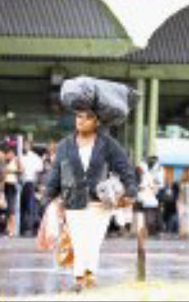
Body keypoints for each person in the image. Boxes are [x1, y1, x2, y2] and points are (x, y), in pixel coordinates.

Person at [46, 110, 137, 291]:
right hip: (73, 199)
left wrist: (131, 191)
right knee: (79, 239)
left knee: (94, 240)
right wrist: (50, 195)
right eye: (79, 116)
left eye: (88, 117)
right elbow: (56, 170)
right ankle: (80, 278)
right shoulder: (65, 145)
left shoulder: (108, 144)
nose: (82, 121)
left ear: (96, 122)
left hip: (101, 201)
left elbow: (125, 168)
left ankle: (89, 275)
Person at [20, 139, 44, 236]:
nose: (25, 147)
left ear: (30, 146)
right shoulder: (19, 156)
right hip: (19, 182)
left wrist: (38, 185)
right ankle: (21, 227)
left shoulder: (35, 158)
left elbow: (39, 171)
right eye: (23, 145)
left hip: (30, 182)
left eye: (26, 145)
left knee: (29, 206)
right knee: (20, 206)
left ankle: (28, 228)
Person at [2, 146, 22, 237]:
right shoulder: (5, 162)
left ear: (13, 154)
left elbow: (21, 170)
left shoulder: (16, 161)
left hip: (12, 184)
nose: (7, 155)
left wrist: (11, 171)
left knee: (11, 208)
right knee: (6, 208)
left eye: (9, 154)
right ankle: (7, 228)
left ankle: (12, 229)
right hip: (5, 184)